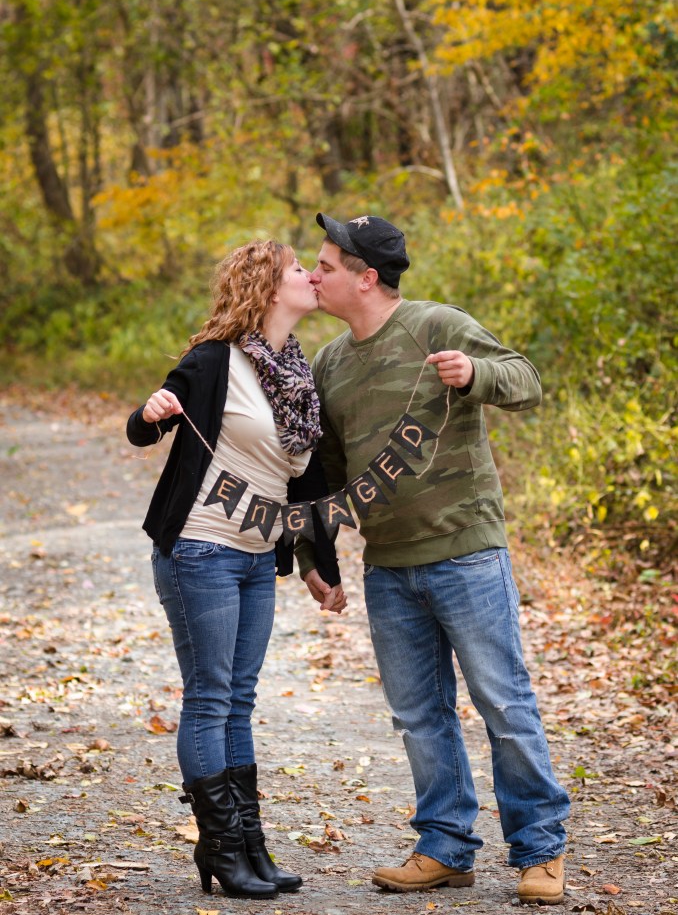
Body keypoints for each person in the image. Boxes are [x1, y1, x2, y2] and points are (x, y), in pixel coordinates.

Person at [298, 213, 570, 905]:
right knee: (420, 715)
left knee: (503, 701)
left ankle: (541, 850)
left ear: (366, 276)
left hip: (467, 553)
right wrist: (313, 553)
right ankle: (445, 846)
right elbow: (326, 472)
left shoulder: (435, 323)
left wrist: (475, 370)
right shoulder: (328, 362)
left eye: (326, 264)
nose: (315, 274)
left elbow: (526, 378)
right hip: (387, 564)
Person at [126, 240, 346, 900]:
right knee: (211, 697)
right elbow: (142, 430)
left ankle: (245, 844)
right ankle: (225, 850)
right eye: (295, 270)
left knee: (240, 701)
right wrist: (150, 411)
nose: (309, 276)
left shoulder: (297, 376)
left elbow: (308, 484)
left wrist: (320, 567)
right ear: (266, 287)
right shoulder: (213, 361)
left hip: (256, 558)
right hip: (201, 549)